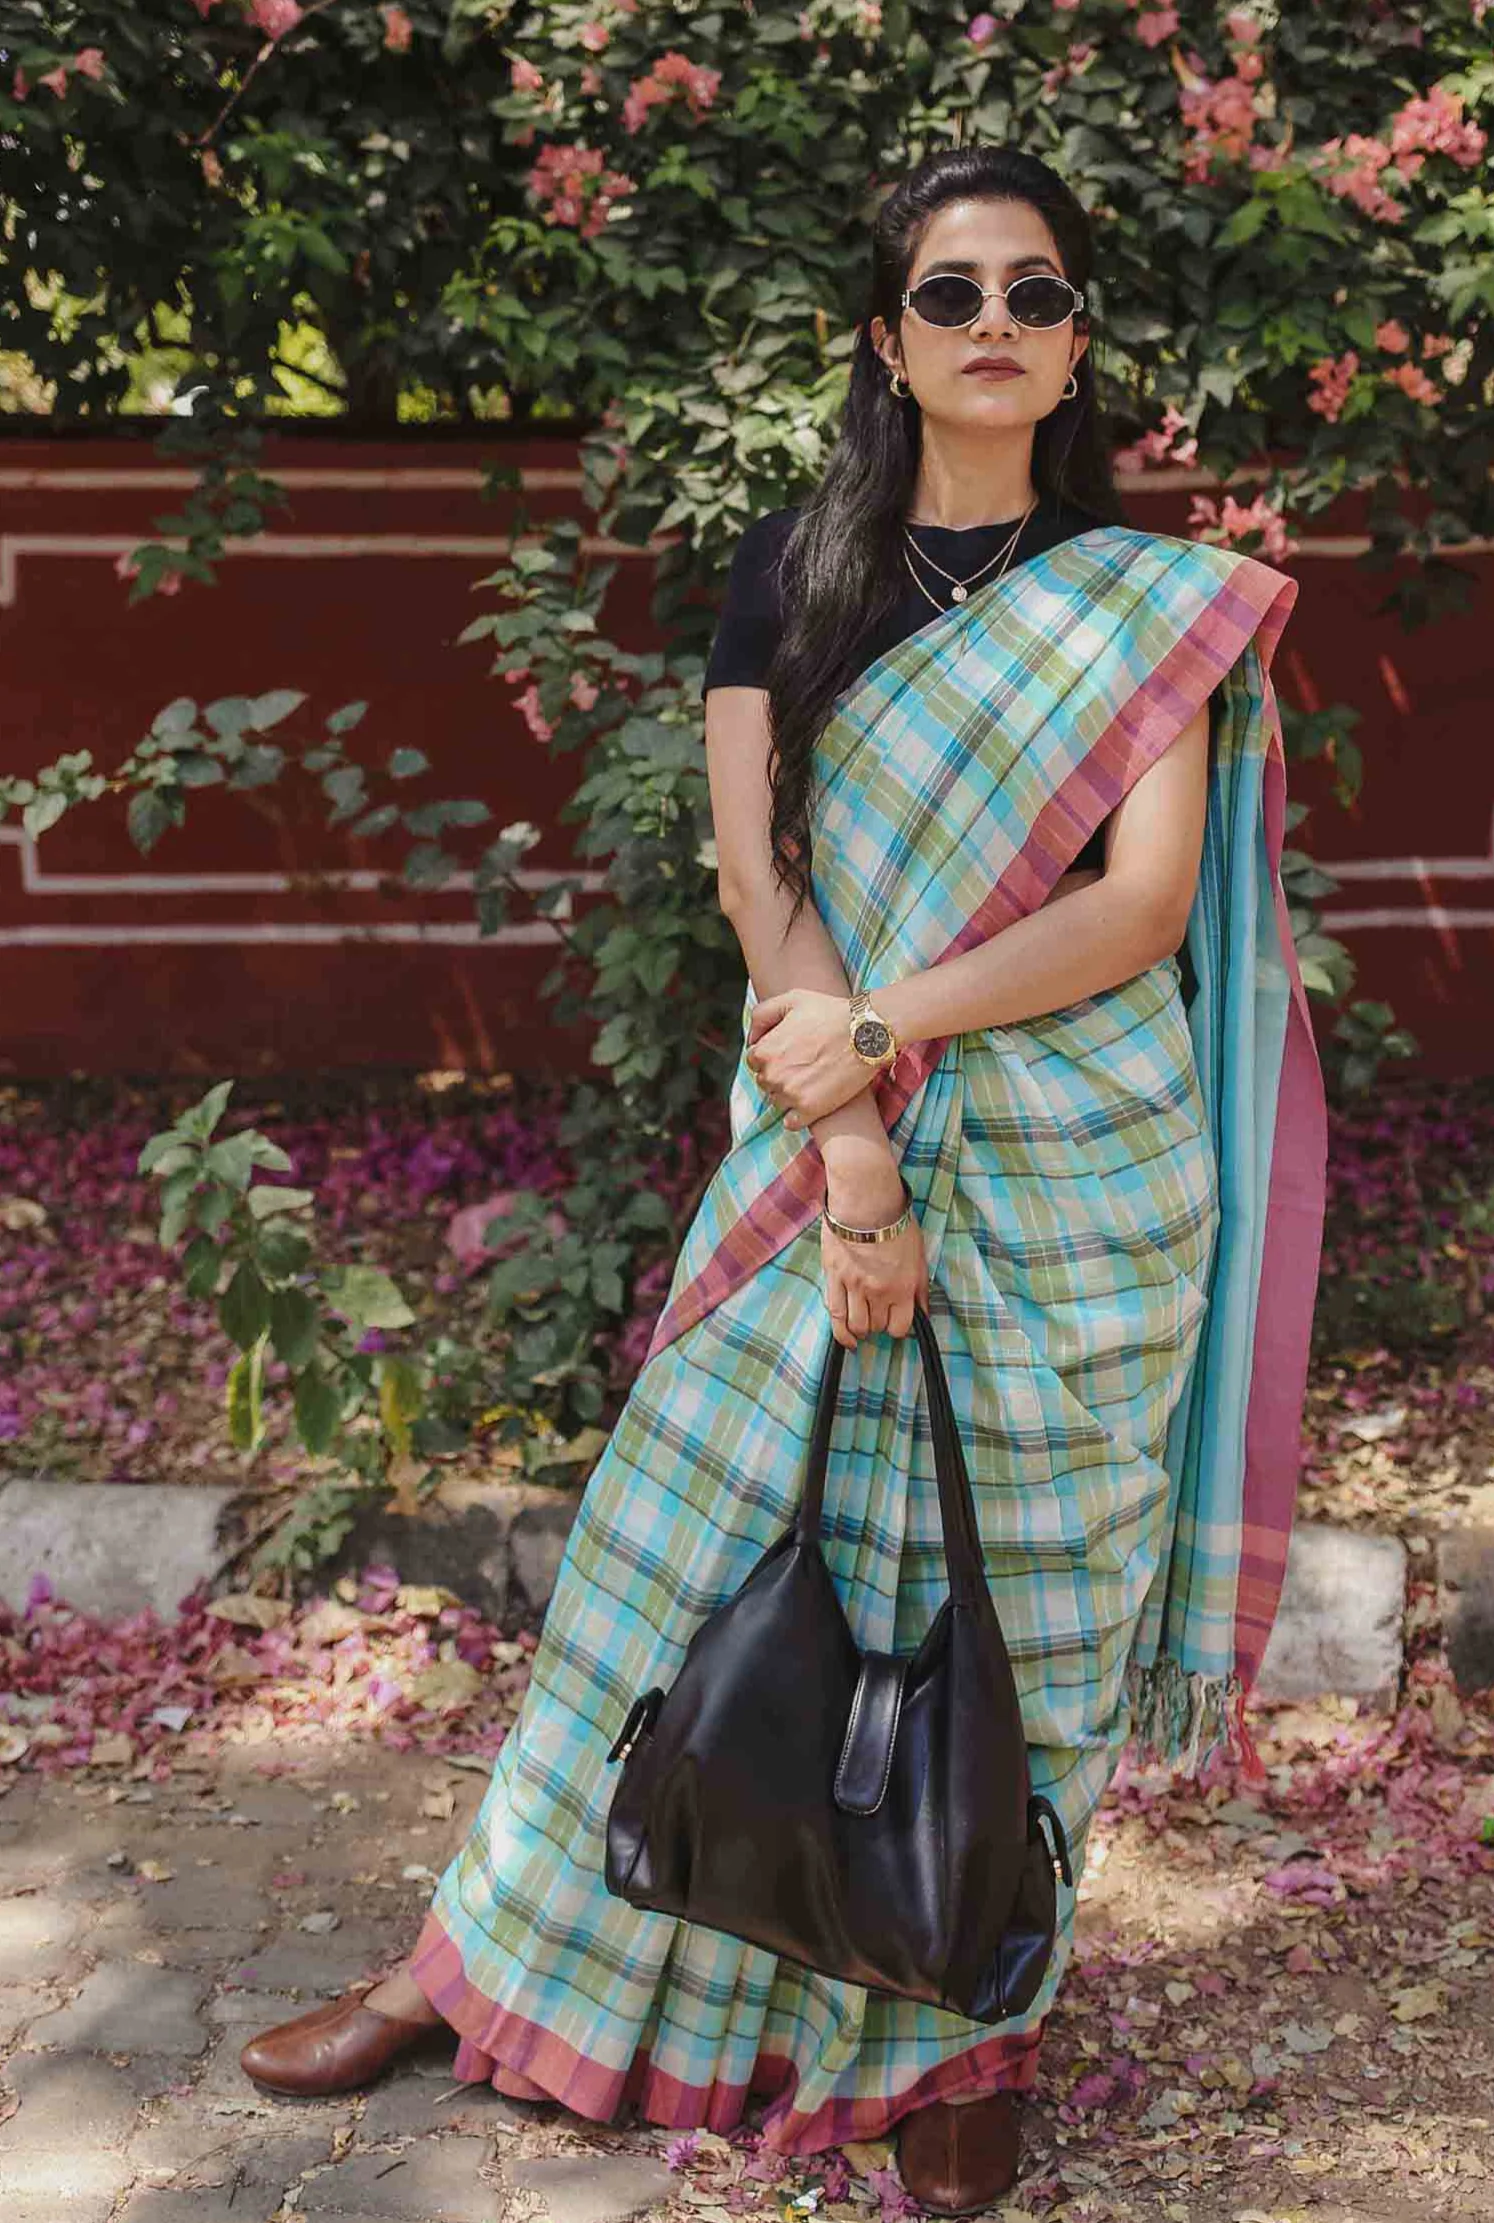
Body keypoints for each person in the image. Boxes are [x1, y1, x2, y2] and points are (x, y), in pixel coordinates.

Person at [239, 143, 1327, 2217]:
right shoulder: (792, 574)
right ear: (885, 339)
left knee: (1024, 1617)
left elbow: (1138, 908)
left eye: (1036, 292)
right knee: (668, 1566)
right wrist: (849, 1148)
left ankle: (964, 2035)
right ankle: (469, 1967)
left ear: (1078, 341)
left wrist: (889, 1034)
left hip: (1079, 1167)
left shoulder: (1141, 605)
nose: (995, 323)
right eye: (951, 293)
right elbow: (766, 878)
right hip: (826, 1135)